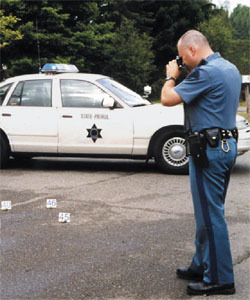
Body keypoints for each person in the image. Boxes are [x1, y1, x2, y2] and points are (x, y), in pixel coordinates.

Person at [161, 30, 241, 296]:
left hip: (210, 150)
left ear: (193, 50)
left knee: (211, 216)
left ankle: (220, 279)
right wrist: (186, 73)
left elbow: (167, 98)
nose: (182, 63)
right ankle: (202, 265)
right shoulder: (228, 68)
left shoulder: (205, 73)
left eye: (183, 57)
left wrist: (172, 76)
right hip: (221, 147)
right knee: (206, 213)